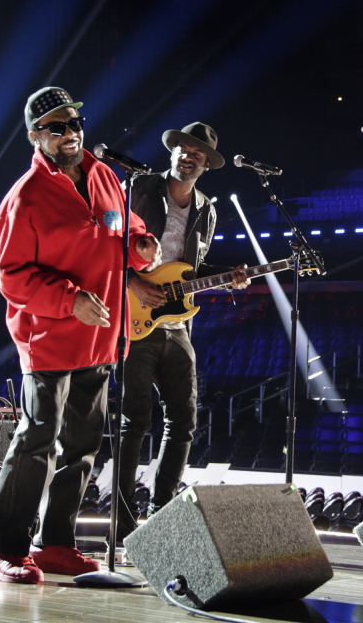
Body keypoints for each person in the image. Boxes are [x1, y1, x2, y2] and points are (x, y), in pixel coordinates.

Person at [0, 87, 160, 585]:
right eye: (57, 127)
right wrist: (69, 299)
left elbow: (126, 233)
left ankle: (54, 543)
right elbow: (11, 277)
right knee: (38, 440)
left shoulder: (105, 176)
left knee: (82, 445)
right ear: (35, 136)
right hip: (48, 339)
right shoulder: (26, 196)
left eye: (74, 122)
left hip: (101, 338)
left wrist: (142, 247)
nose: (70, 132)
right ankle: (3, 547)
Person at [116, 122, 248, 543]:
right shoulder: (138, 188)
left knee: (183, 422)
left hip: (177, 325)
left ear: (206, 164)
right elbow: (102, 241)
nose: (188, 155)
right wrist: (129, 280)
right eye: (183, 148)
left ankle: (160, 516)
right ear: (172, 152)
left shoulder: (207, 208)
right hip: (134, 318)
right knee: (133, 422)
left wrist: (228, 277)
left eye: (197, 152)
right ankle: (120, 523)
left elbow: (191, 269)